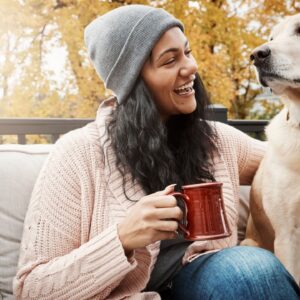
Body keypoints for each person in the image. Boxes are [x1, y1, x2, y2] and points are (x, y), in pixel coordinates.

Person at [13, 4, 300, 300]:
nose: (191, 67)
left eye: (187, 53)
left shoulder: (217, 141)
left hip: (208, 279)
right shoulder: (76, 155)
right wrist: (122, 239)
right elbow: (31, 289)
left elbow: (285, 162)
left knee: (249, 270)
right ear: (134, 82)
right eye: (170, 60)